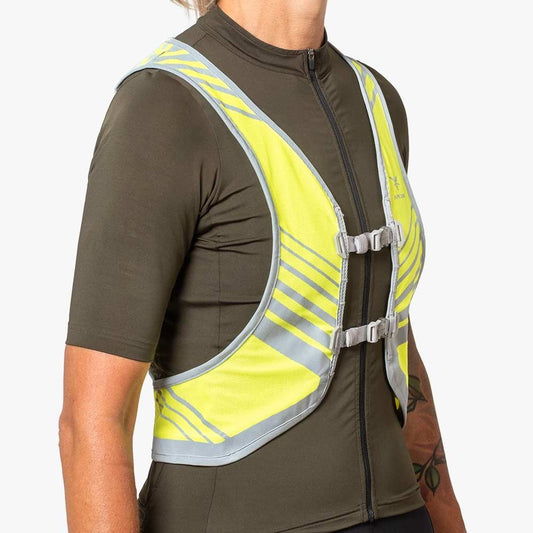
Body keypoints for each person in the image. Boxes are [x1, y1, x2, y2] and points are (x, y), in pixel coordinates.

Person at [58, 1, 466, 531]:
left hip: (402, 515)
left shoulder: (376, 101)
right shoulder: (163, 107)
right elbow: (91, 423)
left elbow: (389, 333)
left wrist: (447, 518)